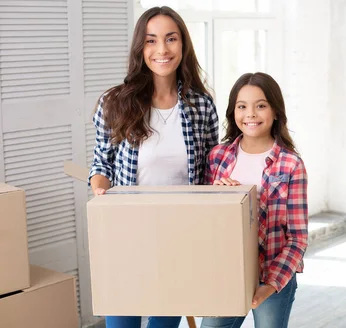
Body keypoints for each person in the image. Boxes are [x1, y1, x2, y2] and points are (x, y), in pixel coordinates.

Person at [88, 6, 218, 328]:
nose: (162, 50)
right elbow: (101, 161)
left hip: (179, 237)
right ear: (140, 48)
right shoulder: (115, 102)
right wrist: (100, 188)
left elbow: (212, 169)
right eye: (151, 41)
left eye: (171, 39)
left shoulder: (201, 105)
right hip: (126, 234)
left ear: (183, 45)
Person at [201, 72, 308, 328]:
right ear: (233, 112)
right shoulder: (217, 157)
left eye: (260, 105)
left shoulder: (291, 164)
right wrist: (218, 197)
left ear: (275, 111)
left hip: (274, 274)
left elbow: (298, 238)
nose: (250, 114)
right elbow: (205, 224)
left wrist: (271, 284)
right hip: (228, 274)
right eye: (242, 106)